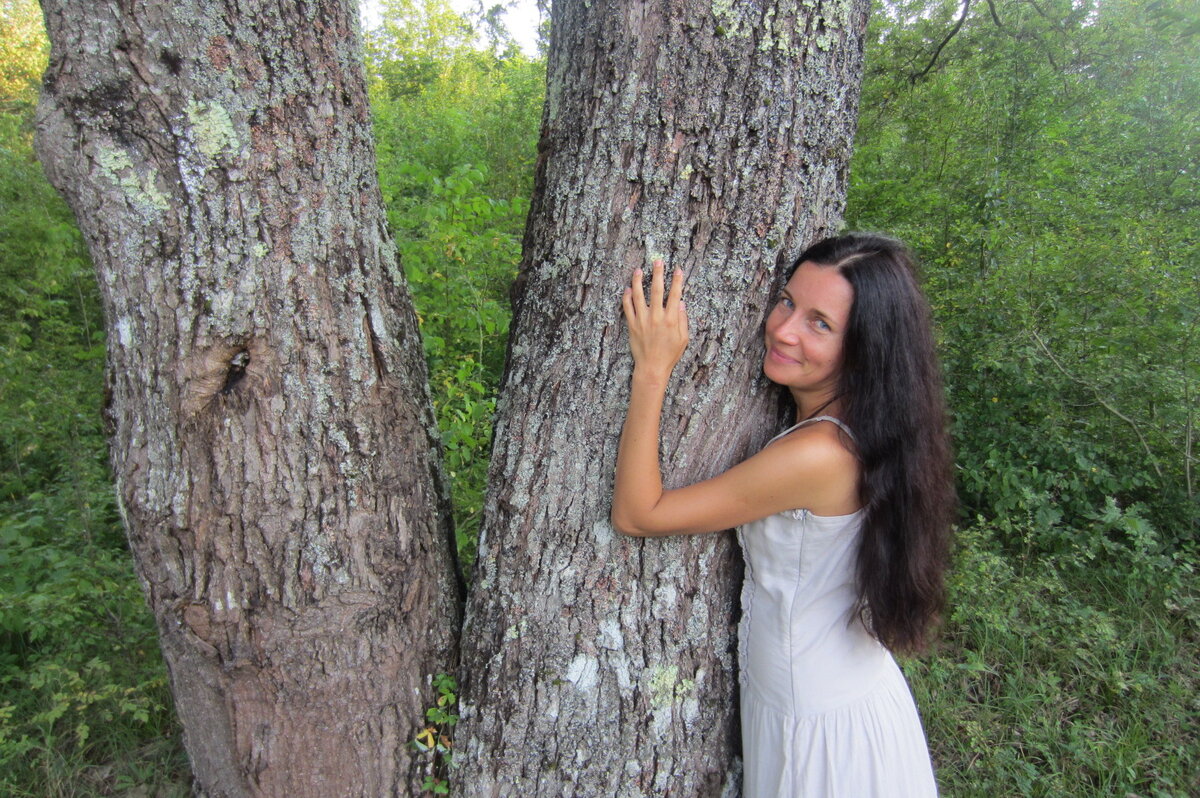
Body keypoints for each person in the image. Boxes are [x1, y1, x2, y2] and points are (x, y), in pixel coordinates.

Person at [611, 233, 954, 797]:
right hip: (851, 697)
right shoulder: (879, 427)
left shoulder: (820, 455)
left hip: (816, 734)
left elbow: (638, 514)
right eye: (788, 302)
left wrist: (652, 369)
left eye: (820, 323)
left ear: (866, 347)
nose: (784, 329)